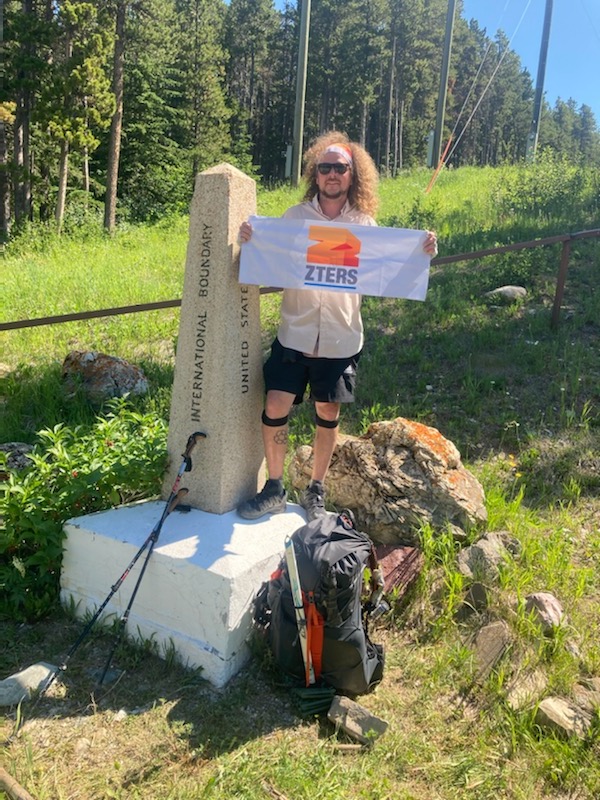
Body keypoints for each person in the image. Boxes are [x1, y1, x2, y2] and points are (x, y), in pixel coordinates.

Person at [237, 131, 437, 522]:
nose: (332, 174)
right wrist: (251, 240)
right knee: (275, 404)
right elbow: (269, 256)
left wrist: (422, 250)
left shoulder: (364, 224)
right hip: (294, 333)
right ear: (315, 173)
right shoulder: (294, 219)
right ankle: (274, 488)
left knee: (327, 411)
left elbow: (389, 265)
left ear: (352, 174)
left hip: (341, 337)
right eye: (325, 167)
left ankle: (316, 489)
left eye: (340, 168)